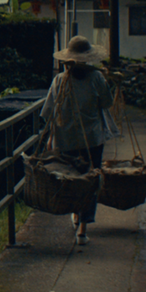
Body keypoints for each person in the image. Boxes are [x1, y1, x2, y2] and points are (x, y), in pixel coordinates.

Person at [40, 36, 115, 245]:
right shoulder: (97, 78)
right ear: (87, 59)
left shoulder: (60, 80)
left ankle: (75, 212)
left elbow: (48, 112)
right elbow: (107, 102)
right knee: (90, 178)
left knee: (71, 178)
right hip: (92, 140)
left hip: (65, 140)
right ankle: (82, 228)